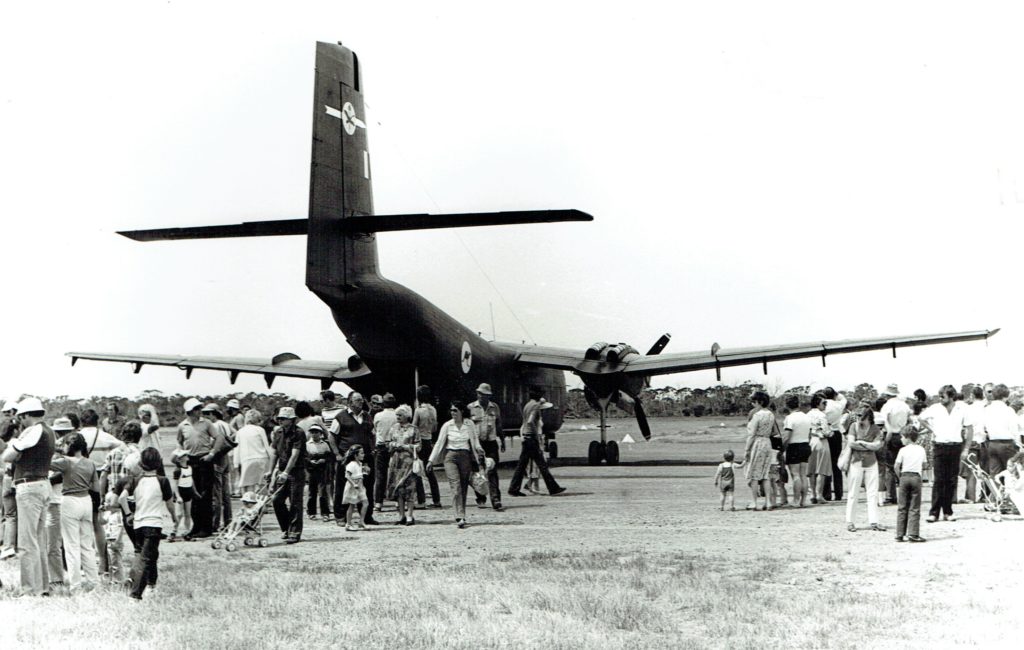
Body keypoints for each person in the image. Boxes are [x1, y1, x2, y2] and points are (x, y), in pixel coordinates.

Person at [0, 397, 56, 596]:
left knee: (26, 542)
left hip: (29, 486)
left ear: (25, 415)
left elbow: (7, 456)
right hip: (42, 484)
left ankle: (29, 589)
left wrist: (13, 444)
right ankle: (42, 587)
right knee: (39, 539)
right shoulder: (49, 431)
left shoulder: (33, 431)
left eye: (20, 417)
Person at [110, 447, 176, 600]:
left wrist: (128, 514)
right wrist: (174, 517)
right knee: (145, 559)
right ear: (159, 463)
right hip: (153, 523)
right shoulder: (163, 481)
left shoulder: (135, 480)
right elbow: (170, 504)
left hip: (138, 524)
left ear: (141, 463)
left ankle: (151, 585)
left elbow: (121, 499)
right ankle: (136, 594)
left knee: (148, 555)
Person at [51, 432, 100, 592]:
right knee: (87, 545)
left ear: (69, 446)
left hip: (70, 501)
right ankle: (94, 582)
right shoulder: (91, 463)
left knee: (71, 546)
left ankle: (76, 585)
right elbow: (95, 488)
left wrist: (56, 447)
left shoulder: (66, 462)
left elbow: (47, 464)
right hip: (86, 500)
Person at [428, 400, 487, 528]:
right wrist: (431, 460)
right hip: (450, 457)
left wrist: (479, 449)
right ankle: (458, 515)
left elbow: (475, 440)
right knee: (455, 486)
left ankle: (462, 514)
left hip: (465, 457)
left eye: (455, 410)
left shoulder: (469, 424)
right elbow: (439, 443)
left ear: (462, 411)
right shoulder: (447, 426)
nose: (452, 413)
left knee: (464, 486)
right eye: (451, 410)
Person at [919, 385, 969, 523]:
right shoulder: (935, 408)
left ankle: (948, 511)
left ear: (951, 396)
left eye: (943, 396)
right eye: (939, 396)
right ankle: (934, 512)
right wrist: (933, 429)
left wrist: (966, 449)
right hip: (940, 446)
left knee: (951, 480)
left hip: (955, 446)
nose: (940, 399)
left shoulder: (962, 409)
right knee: (939, 480)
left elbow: (969, 427)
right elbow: (921, 419)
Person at [177, 397, 225, 540]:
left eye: (200, 408)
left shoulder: (207, 423)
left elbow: (219, 438)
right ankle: (196, 527)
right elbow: (179, 442)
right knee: (193, 494)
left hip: (204, 459)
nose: (200, 411)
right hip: (190, 461)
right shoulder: (182, 426)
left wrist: (212, 453)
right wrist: (181, 454)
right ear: (190, 412)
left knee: (205, 495)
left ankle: (206, 528)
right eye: (197, 409)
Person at [328, 392, 377, 525]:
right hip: (347, 458)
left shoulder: (367, 416)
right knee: (342, 486)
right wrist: (337, 453)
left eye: (361, 400)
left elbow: (373, 434)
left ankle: (367, 516)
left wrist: (372, 449)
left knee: (367, 485)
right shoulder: (340, 417)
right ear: (349, 402)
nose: (360, 402)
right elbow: (331, 436)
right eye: (357, 400)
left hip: (365, 457)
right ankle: (340, 516)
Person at [508, 387, 566, 498]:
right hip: (531, 438)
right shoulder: (535, 406)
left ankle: (514, 488)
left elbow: (525, 421)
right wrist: (536, 435)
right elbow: (530, 421)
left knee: (522, 465)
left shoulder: (527, 405)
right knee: (541, 464)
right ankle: (553, 488)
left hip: (525, 437)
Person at [844, 401, 886, 532]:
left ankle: (874, 521)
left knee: (872, 493)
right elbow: (851, 444)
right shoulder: (853, 426)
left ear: (868, 417)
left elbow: (878, 446)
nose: (858, 419)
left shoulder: (875, 428)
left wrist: (861, 442)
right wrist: (869, 445)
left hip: (871, 463)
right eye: (857, 416)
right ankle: (850, 521)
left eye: (861, 417)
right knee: (853, 492)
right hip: (856, 462)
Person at [267, 407, 306, 544]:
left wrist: (286, 472)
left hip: (296, 471)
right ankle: (286, 528)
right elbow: (274, 452)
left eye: (283, 418)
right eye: (279, 418)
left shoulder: (298, 433)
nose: (280, 420)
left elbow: (295, 455)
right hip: (282, 470)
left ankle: (295, 532)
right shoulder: (277, 432)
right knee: (277, 500)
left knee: (295, 502)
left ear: (292, 419)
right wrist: (270, 471)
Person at [469, 383, 504, 511]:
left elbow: (499, 425)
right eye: (480, 394)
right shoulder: (471, 408)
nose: (482, 396)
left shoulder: (495, 408)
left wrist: (503, 440)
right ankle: (481, 497)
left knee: (492, 470)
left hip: (491, 443)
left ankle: (496, 499)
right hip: (477, 444)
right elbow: (468, 427)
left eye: (485, 395)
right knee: (478, 472)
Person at [738, 392, 776, 511]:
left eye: (754, 402)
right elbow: (774, 431)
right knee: (765, 475)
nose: (752, 404)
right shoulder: (771, 414)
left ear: (759, 402)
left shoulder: (757, 415)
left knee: (754, 475)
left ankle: (754, 502)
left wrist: (747, 450)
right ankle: (768, 502)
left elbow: (752, 434)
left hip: (757, 443)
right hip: (767, 442)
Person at [202, 403, 235, 529]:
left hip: (217, 458)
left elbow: (214, 441)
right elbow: (235, 434)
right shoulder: (225, 423)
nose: (206, 416)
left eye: (208, 413)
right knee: (226, 492)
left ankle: (215, 523)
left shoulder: (214, 425)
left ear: (213, 414)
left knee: (217, 492)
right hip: (226, 457)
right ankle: (228, 520)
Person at [386, 405, 420, 525]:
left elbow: (419, 446)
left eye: (400, 415)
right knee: (398, 489)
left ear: (407, 415)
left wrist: (407, 446)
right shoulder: (393, 428)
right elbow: (387, 443)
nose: (398, 417)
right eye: (397, 415)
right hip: (396, 462)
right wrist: (394, 445)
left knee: (410, 489)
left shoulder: (414, 429)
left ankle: (410, 515)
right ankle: (401, 515)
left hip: (408, 462)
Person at [879, 385, 910, 506]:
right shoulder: (904, 405)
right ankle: (905, 494)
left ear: (887, 395)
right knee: (903, 465)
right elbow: (909, 419)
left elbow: (884, 422)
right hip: (902, 435)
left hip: (891, 435)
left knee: (890, 467)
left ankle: (891, 495)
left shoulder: (887, 406)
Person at [893, 428, 926, 542]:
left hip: (904, 476)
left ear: (907, 437)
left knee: (902, 506)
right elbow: (925, 464)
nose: (901, 439)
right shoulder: (921, 449)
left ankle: (899, 533)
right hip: (916, 477)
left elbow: (896, 466)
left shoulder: (902, 450)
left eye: (902, 437)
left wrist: (900, 477)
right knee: (914, 507)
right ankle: (913, 533)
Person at [412, 385, 442, 509]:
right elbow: (435, 427)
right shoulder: (433, 410)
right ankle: (436, 499)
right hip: (429, 440)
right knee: (430, 471)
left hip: (420, 441)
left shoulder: (418, 410)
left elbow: (413, 427)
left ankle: (421, 499)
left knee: (417, 470)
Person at [982, 384, 1020, 479]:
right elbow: (1014, 430)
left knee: (995, 475)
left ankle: (997, 492)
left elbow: (984, 428)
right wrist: (1019, 444)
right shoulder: (1008, 410)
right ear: (1006, 396)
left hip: (992, 443)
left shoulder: (986, 409)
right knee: (1011, 473)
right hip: (1007, 444)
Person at [782, 395, 811, 507]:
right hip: (805, 445)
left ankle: (796, 500)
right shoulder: (806, 417)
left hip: (794, 446)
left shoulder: (790, 418)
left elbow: (787, 436)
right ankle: (803, 500)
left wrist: (782, 449)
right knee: (803, 474)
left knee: (795, 475)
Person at [236, 408, 273, 495]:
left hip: (247, 459)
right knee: (262, 483)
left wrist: (236, 463)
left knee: (247, 484)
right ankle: (262, 504)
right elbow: (266, 446)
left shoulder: (240, 432)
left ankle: (250, 504)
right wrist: (271, 459)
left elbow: (237, 448)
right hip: (262, 458)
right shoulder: (260, 429)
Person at [372, 393, 398, 511]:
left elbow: (375, 430)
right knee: (396, 474)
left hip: (381, 446)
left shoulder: (378, 415)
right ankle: (398, 500)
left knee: (380, 475)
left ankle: (378, 502)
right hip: (394, 445)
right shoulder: (397, 415)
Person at [962, 386, 988, 503]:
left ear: (972, 395)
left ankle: (970, 497)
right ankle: (985, 496)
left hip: (971, 440)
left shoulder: (968, 408)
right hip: (984, 440)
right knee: (986, 470)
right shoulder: (986, 408)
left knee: (971, 471)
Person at [805, 394, 832, 504]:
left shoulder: (807, 415)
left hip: (810, 441)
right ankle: (819, 494)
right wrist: (831, 433)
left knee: (811, 469)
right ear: (818, 404)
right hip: (821, 441)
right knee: (822, 469)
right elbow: (826, 432)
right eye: (824, 403)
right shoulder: (822, 415)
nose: (825, 405)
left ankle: (812, 494)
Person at [822, 388, 847, 501]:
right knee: (836, 463)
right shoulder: (839, 405)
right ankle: (838, 492)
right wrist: (838, 395)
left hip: (827, 433)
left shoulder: (824, 406)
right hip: (837, 433)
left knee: (826, 464)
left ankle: (826, 493)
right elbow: (843, 399)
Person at [305, 424, 331, 520]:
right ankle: (311, 512)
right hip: (311, 470)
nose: (314, 434)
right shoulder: (307, 444)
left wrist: (323, 460)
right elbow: (304, 457)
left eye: (316, 432)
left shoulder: (324, 444)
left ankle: (325, 513)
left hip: (322, 470)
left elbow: (329, 456)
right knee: (312, 492)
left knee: (322, 492)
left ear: (320, 434)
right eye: (312, 432)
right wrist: (309, 461)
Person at [342, 445, 369, 531]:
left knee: (366, 503)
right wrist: (354, 484)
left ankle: (361, 521)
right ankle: (348, 524)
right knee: (352, 505)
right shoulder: (351, 464)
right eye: (361, 453)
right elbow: (347, 475)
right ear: (355, 455)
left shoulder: (360, 464)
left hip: (360, 485)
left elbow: (358, 473)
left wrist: (364, 472)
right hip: (353, 486)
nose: (363, 455)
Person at [170, 450, 193, 541]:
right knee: (179, 514)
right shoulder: (178, 470)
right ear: (179, 459)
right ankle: (174, 530)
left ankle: (187, 531)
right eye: (184, 455)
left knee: (188, 513)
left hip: (188, 491)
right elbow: (175, 484)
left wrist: (194, 491)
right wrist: (178, 496)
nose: (187, 455)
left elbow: (191, 480)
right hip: (180, 492)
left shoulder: (189, 468)